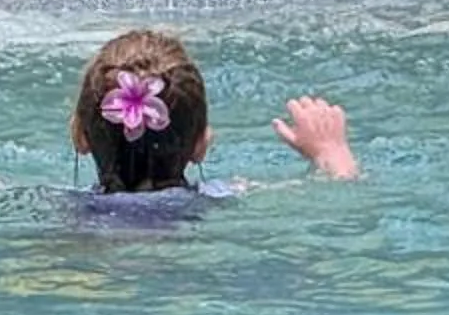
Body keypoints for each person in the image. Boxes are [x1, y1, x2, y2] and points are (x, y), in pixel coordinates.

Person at [70, 29, 359, 196]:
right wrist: (331, 151)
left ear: (79, 135)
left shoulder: (62, 207)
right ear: (202, 144)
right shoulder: (221, 196)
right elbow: (341, 187)